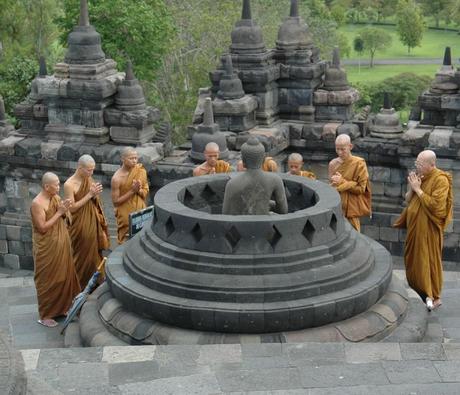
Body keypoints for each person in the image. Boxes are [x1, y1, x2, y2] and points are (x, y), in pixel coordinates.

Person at [394, 150, 453, 311]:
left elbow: (437, 207)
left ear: (431, 164)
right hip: (415, 228)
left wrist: (418, 190)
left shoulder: (441, 180)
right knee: (413, 260)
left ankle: (433, 295)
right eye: (417, 163)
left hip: (428, 230)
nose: (417, 166)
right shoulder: (419, 177)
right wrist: (413, 188)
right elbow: (407, 199)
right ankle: (420, 292)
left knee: (428, 261)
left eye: (420, 164)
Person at [30, 172, 80, 328]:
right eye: (56, 184)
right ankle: (45, 315)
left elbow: (66, 218)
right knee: (48, 280)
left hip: (61, 244)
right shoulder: (37, 203)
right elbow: (43, 228)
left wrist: (65, 210)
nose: (59, 187)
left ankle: (62, 308)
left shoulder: (56, 198)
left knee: (64, 277)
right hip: (46, 248)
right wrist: (59, 212)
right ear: (46, 186)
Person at [64, 155, 110, 287]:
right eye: (89, 170)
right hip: (78, 226)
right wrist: (90, 194)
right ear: (80, 168)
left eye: (93, 170)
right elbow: (71, 208)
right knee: (80, 256)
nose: (92, 173)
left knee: (94, 254)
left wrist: (95, 195)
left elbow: (94, 201)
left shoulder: (88, 178)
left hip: (91, 221)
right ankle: (80, 285)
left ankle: (96, 282)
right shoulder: (69, 184)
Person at [223, 137, 288, 215]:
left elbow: (225, 214)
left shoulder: (232, 184)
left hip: (241, 225)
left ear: (243, 160)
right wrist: (264, 203)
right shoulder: (275, 180)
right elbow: (283, 211)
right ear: (263, 159)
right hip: (266, 225)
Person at [328, 134, 371, 232]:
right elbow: (331, 188)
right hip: (336, 207)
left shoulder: (359, 163)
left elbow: (361, 189)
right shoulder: (332, 164)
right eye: (337, 149)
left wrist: (342, 182)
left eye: (343, 149)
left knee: (353, 237)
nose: (339, 152)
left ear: (350, 147)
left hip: (351, 210)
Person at [111, 147, 149, 244]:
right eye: (131, 158)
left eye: (136, 158)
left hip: (140, 210)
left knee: (142, 239)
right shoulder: (117, 178)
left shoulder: (140, 171)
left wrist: (139, 190)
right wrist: (132, 191)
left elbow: (146, 190)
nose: (134, 161)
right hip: (125, 214)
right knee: (126, 241)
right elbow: (115, 202)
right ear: (122, 159)